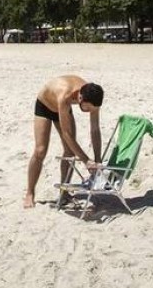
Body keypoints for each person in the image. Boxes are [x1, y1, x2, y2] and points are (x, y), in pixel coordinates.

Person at [23, 75, 104, 209]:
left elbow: (95, 129)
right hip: (45, 106)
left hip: (63, 110)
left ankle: (64, 192)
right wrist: (86, 161)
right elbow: (67, 134)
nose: (90, 112)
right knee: (40, 150)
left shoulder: (93, 95)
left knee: (70, 151)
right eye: (88, 109)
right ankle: (30, 193)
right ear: (80, 98)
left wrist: (97, 159)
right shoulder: (65, 95)